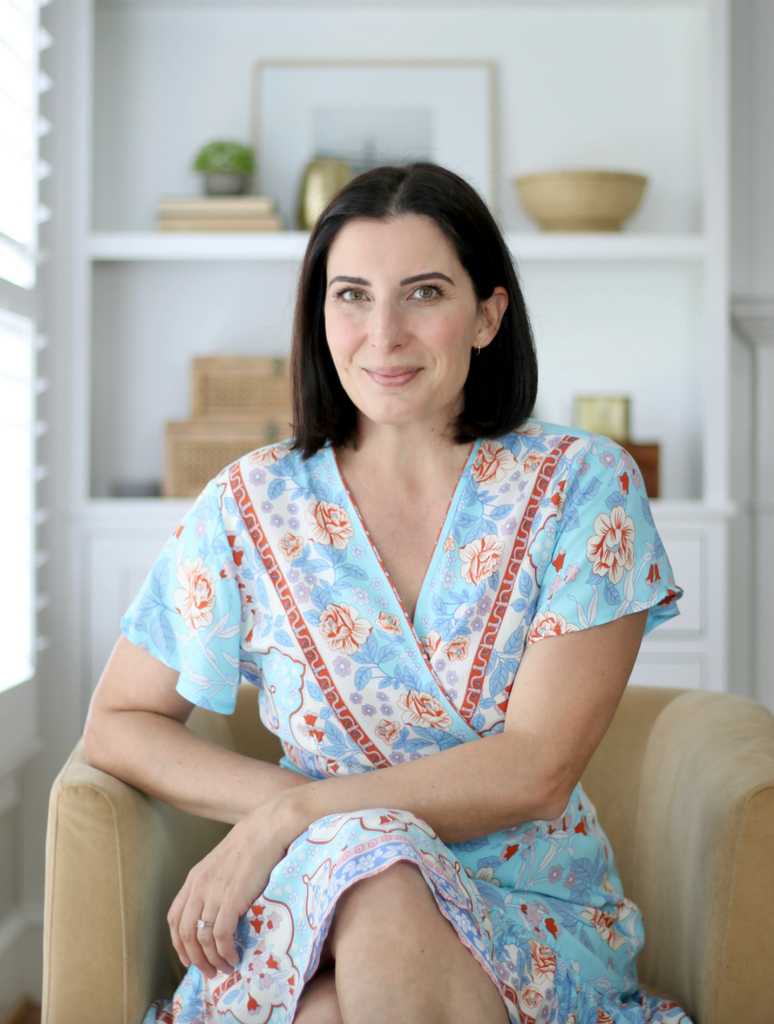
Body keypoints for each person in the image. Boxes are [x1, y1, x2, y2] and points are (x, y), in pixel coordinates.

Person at [84, 162, 690, 1024]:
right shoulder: (249, 504)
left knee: (350, 965)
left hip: (530, 908)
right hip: (310, 896)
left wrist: (297, 813)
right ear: (319, 316)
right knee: (375, 871)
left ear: (488, 314)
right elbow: (117, 722)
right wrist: (289, 819)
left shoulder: (584, 489)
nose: (383, 334)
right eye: (352, 296)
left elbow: (539, 768)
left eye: (424, 293)